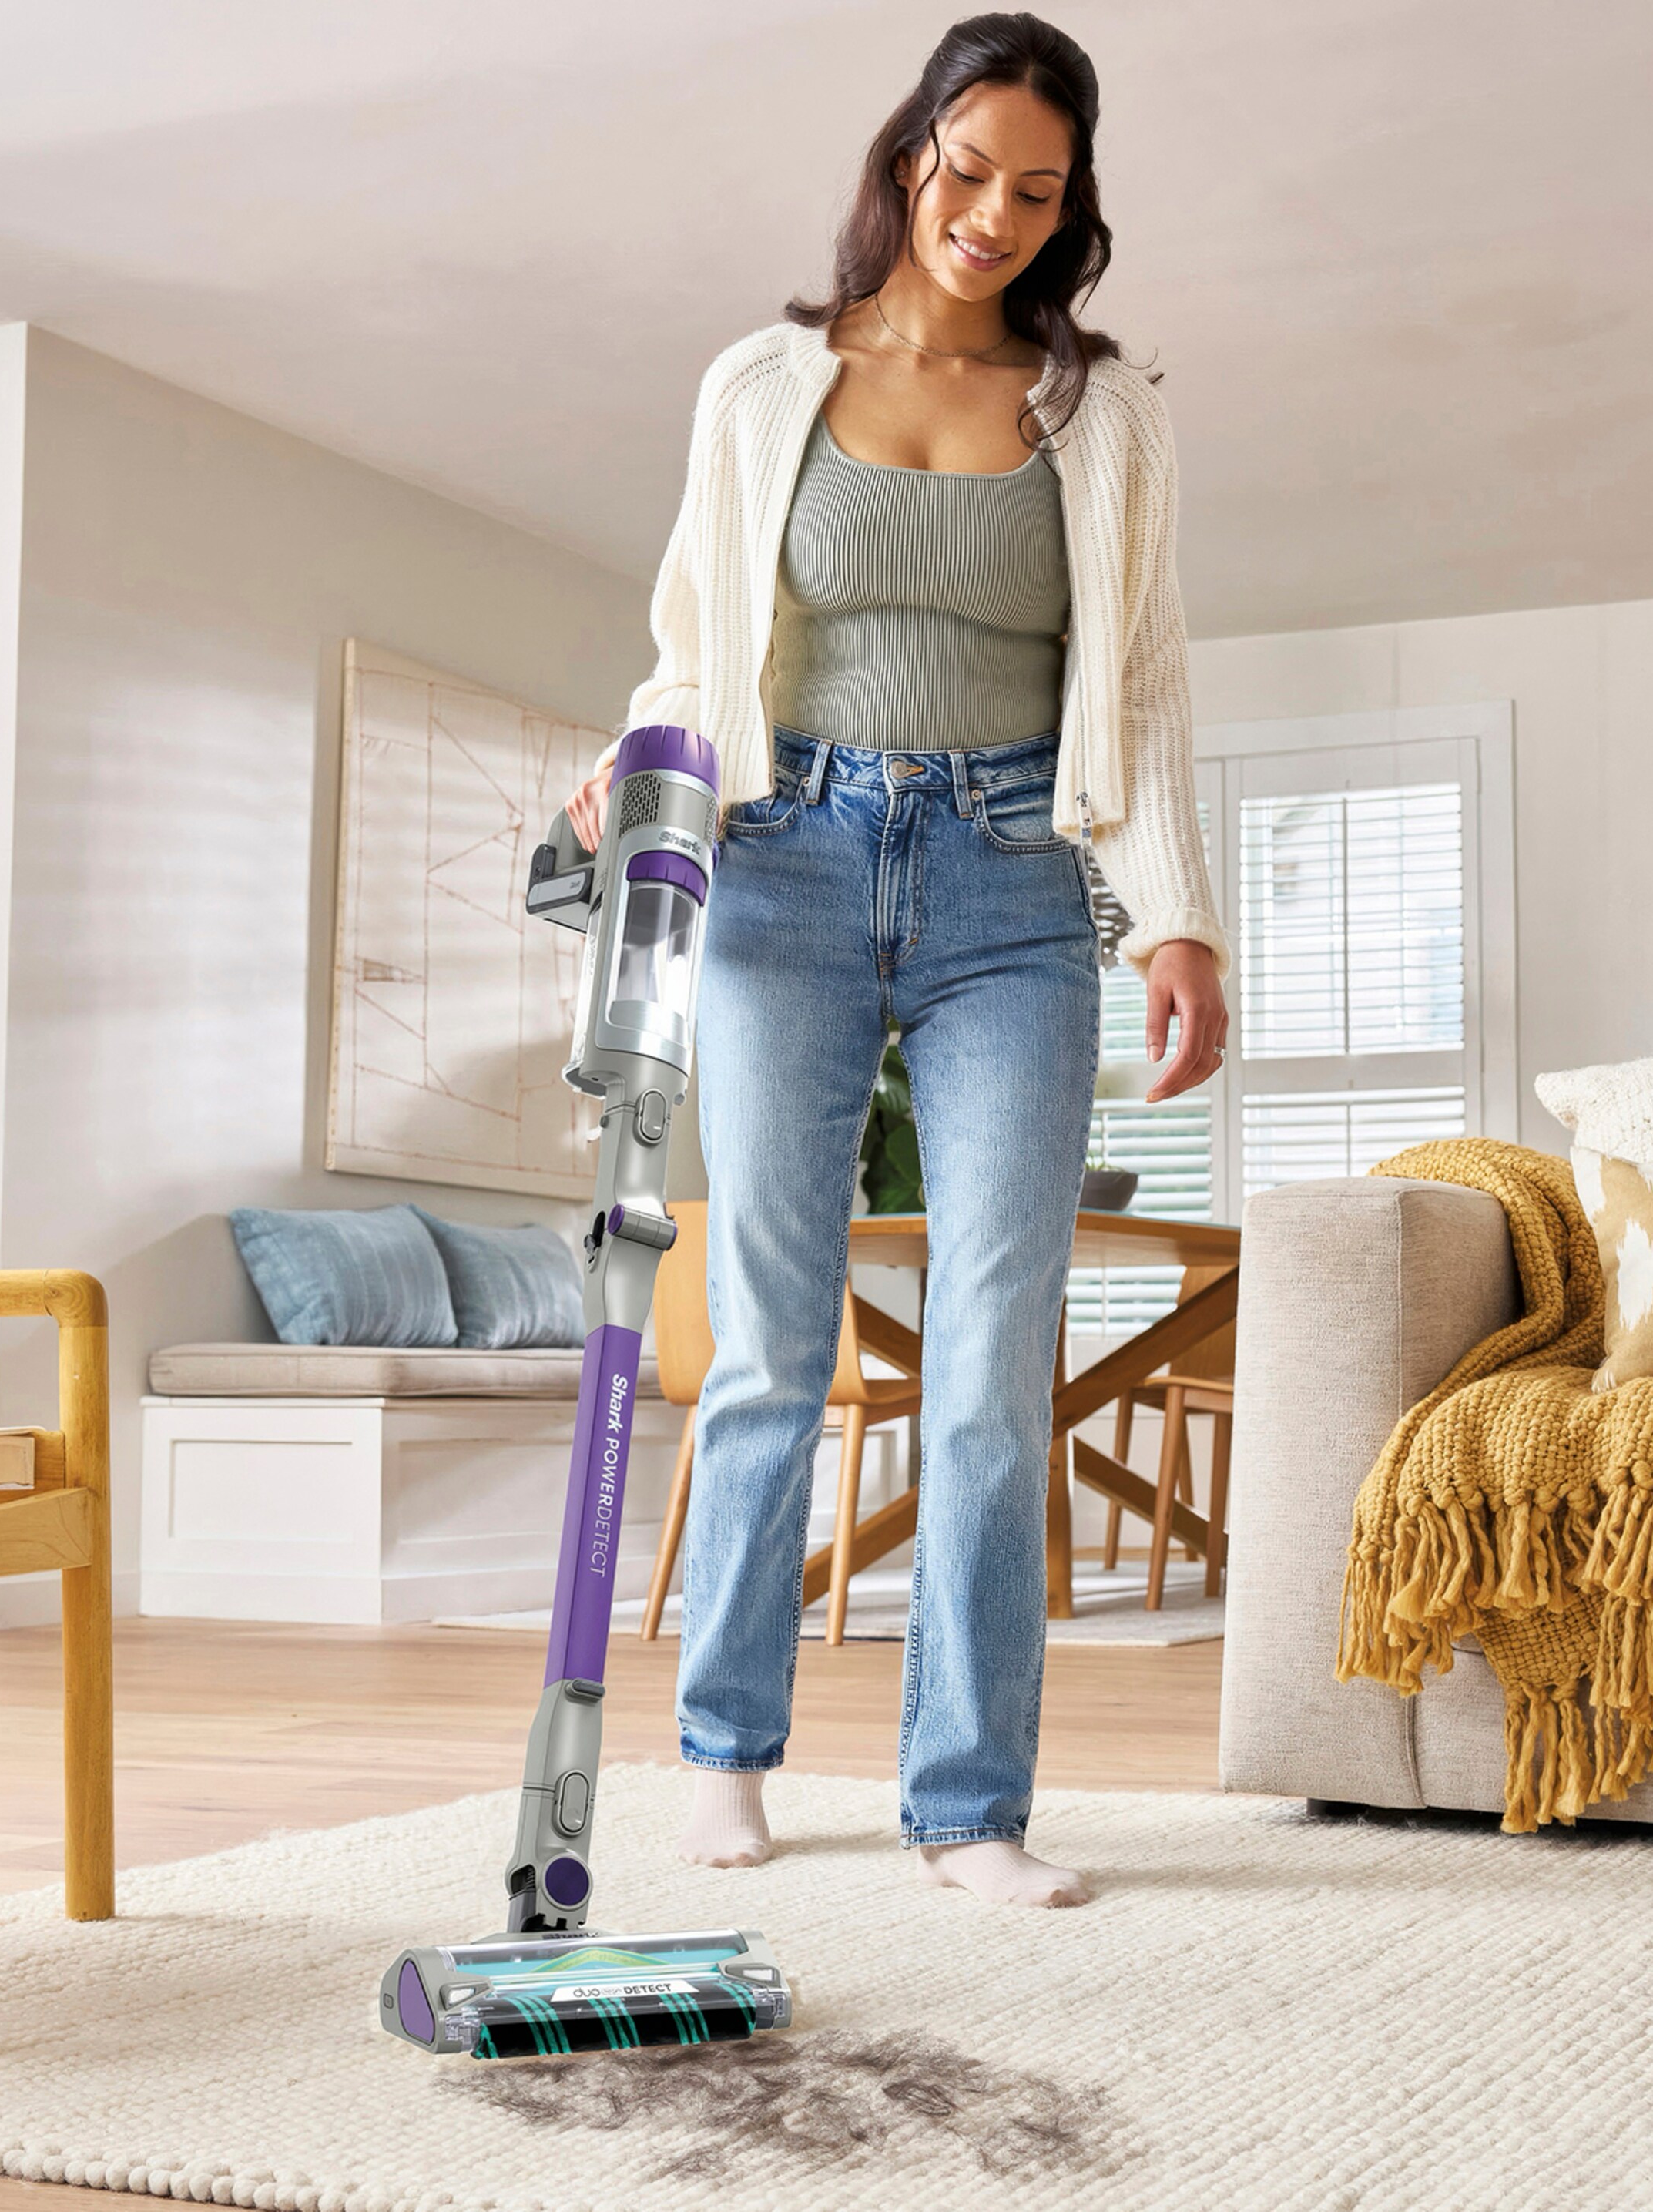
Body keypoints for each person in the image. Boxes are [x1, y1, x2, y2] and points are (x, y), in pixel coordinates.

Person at [565, 11, 1228, 1908]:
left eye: (1039, 189)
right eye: (967, 170)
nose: (993, 215)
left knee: (996, 1355)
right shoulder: (763, 386)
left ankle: (972, 1803)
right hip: (782, 866)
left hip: (1019, 884)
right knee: (773, 1336)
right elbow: (697, 644)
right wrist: (643, 768)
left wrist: (1178, 910)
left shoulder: (1105, 417)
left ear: (1072, 206)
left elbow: (1154, 686)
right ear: (908, 158)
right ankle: (723, 1747)